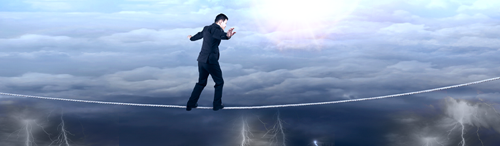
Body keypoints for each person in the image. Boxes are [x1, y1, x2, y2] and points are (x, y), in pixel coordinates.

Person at [186, 13, 236, 111]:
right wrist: (227, 36)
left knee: (201, 82)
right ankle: (217, 105)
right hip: (210, 61)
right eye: (225, 23)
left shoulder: (206, 28)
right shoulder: (216, 29)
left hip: (201, 60)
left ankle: (190, 104)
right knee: (219, 82)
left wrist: (191, 38)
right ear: (220, 22)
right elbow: (219, 35)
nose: (225, 26)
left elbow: (199, 35)